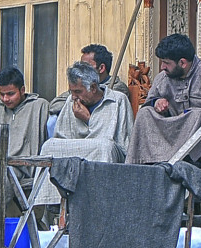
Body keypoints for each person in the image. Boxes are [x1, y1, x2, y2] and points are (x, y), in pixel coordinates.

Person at [33, 61, 134, 207]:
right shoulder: (70, 101)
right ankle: (48, 204)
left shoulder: (118, 100)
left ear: (93, 87)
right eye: (71, 92)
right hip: (76, 156)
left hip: (107, 153)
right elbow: (62, 136)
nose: (74, 97)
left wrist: (88, 119)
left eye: (78, 92)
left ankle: (101, 202)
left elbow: (123, 141)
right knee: (49, 146)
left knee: (103, 147)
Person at [126, 33, 201, 165]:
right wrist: (156, 103)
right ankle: (146, 163)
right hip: (170, 130)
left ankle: (188, 161)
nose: (162, 67)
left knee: (199, 115)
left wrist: (191, 114)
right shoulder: (163, 78)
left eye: (166, 63)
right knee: (145, 114)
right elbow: (149, 103)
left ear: (183, 63)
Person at [0, 66, 48, 191]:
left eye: (10, 94)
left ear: (22, 90)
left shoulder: (38, 106)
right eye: (1, 94)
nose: (5, 99)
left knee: (1, 179)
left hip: (20, 167)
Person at [47, 44, 130, 135]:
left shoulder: (117, 90)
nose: (80, 70)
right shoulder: (75, 91)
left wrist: (88, 119)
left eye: (86, 66)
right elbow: (55, 105)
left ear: (101, 68)